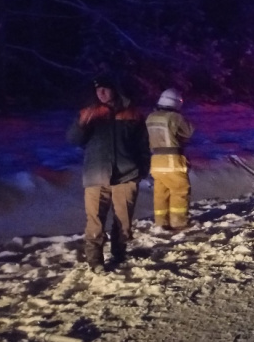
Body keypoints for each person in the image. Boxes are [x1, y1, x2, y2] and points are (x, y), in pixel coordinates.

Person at [66, 75, 150, 273]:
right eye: (97, 89)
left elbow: (143, 146)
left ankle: (119, 254)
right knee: (95, 220)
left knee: (123, 220)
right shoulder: (89, 113)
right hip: (96, 175)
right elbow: (73, 140)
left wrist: (142, 170)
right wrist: (81, 123)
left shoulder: (132, 114)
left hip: (127, 174)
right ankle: (95, 261)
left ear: (115, 89)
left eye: (105, 88)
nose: (101, 93)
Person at [146, 88, 195, 232]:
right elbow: (188, 132)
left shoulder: (150, 117)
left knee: (161, 193)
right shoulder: (175, 117)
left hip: (155, 161)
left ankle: (161, 222)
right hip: (172, 160)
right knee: (180, 190)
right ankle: (178, 222)